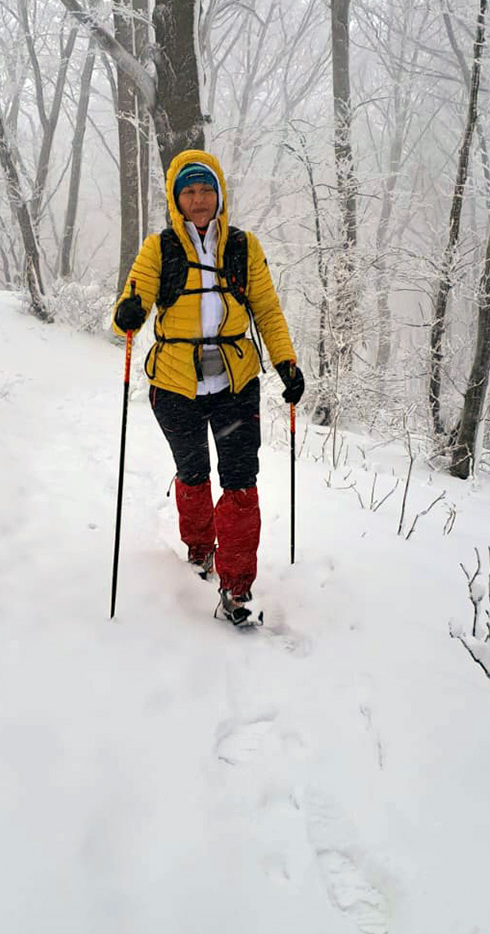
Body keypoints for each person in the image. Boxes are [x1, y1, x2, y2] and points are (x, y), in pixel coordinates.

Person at [111, 149, 305, 625]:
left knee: (241, 482)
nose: (199, 200)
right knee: (193, 473)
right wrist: (127, 315)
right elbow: (128, 310)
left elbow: (267, 309)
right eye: (189, 191)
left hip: (235, 382)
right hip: (175, 384)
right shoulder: (159, 248)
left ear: (220, 195)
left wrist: (286, 363)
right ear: (177, 199)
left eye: (206, 190)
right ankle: (200, 547)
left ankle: (237, 589)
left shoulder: (243, 246)